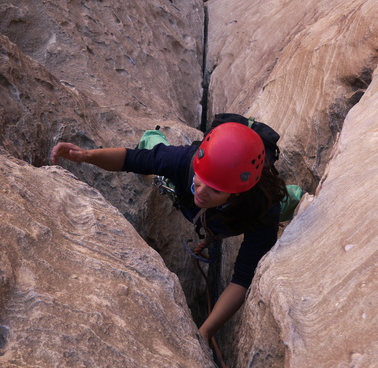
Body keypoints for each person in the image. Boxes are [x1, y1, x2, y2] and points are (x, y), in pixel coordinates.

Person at [51, 122, 287, 345]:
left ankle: (293, 196)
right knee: (153, 149)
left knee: (286, 199)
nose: (202, 193)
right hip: (183, 179)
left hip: (236, 212)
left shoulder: (262, 207)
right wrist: (86, 156)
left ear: (236, 193)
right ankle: (153, 137)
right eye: (200, 181)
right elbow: (131, 158)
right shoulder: (185, 162)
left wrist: (205, 332)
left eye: (215, 190)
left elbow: (243, 279)